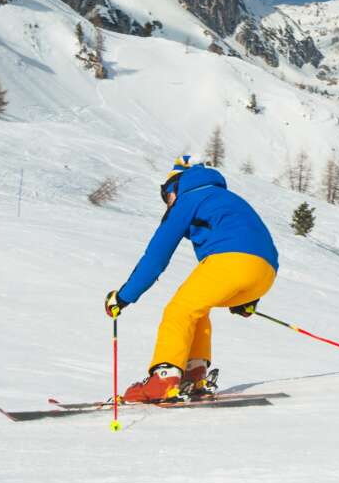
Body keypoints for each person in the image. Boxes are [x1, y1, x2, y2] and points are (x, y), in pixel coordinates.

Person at [105, 156, 278, 402]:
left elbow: (156, 256)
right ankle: (194, 374)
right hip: (265, 272)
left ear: (175, 185)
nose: (167, 203)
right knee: (197, 308)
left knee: (179, 310)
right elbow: (256, 240)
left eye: (166, 196)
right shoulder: (228, 199)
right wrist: (248, 297)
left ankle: (163, 379)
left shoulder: (188, 198)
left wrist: (123, 297)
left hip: (230, 261)